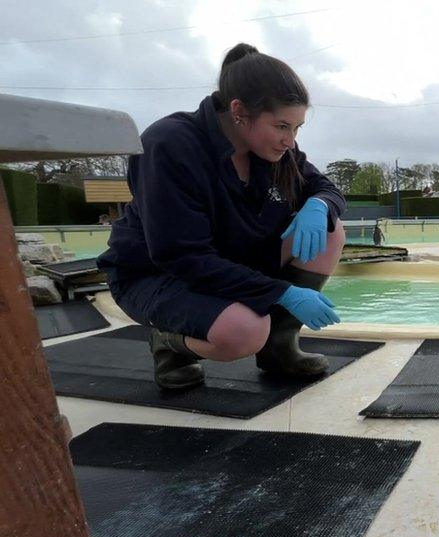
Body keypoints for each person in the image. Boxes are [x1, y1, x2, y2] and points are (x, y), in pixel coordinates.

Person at [97, 43, 347, 390]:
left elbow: (325, 186)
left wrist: (320, 205)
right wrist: (283, 292)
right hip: (161, 274)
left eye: (297, 128)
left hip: (230, 260)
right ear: (239, 111)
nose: (290, 141)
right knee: (244, 332)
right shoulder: (170, 145)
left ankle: (279, 346)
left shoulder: (274, 150)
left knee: (331, 231)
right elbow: (182, 256)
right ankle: (169, 343)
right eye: (282, 126)